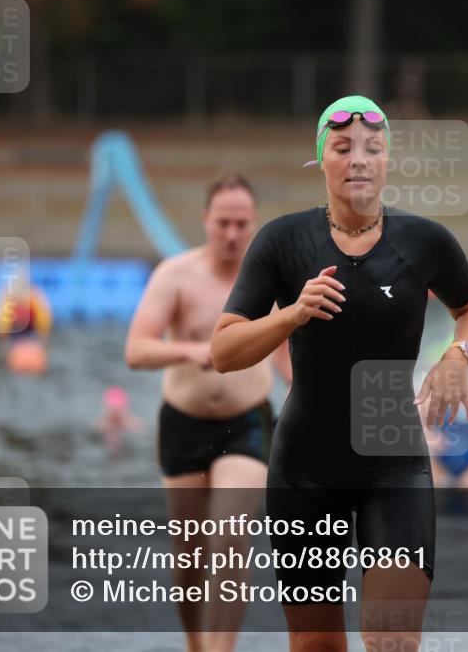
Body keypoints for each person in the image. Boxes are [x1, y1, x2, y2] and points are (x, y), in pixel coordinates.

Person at [211, 95, 468, 652]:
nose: (359, 159)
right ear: (323, 162)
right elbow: (223, 350)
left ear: (387, 161)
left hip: (393, 464)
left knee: (392, 640)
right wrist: (292, 313)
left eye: (373, 148)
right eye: (343, 148)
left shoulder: (425, 241)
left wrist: (459, 355)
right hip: (304, 472)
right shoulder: (282, 242)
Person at [125, 172, 292, 652]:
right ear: (206, 220)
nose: (232, 234)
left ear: (254, 223)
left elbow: (286, 356)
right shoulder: (176, 275)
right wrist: (191, 353)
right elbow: (136, 350)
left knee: (230, 536)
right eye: (223, 223)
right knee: (190, 557)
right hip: (183, 421)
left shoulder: (270, 280)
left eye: (242, 223)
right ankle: (196, 646)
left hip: (247, 421)